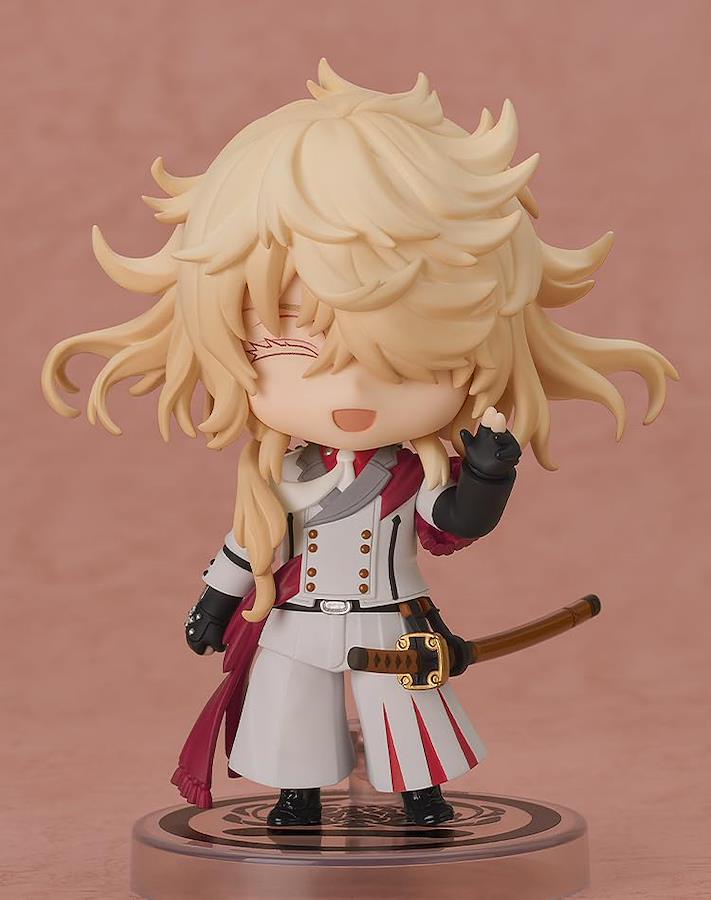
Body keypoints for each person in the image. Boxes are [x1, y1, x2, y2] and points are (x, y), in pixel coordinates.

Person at [41, 60, 676, 827]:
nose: (349, 391)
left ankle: (421, 794)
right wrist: (215, 600)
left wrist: (485, 478)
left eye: (407, 358)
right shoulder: (283, 473)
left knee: (405, 710)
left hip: (389, 616)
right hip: (298, 615)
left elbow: (453, 525)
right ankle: (297, 793)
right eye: (289, 347)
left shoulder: (416, 470)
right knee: (290, 706)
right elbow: (250, 541)